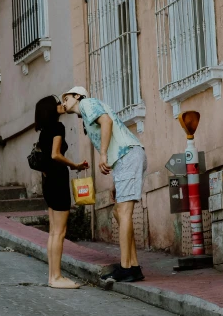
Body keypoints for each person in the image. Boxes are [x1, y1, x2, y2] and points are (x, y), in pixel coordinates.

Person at [62, 86, 146, 283]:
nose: (63, 102)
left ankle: (127, 268)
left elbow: (106, 121)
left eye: (66, 98)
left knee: (124, 212)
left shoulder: (87, 103)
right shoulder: (86, 110)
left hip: (127, 155)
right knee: (118, 212)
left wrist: (103, 154)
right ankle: (133, 265)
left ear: (77, 96)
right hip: (126, 158)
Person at [35, 94, 88, 289]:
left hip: (48, 180)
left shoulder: (43, 131)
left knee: (53, 232)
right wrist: (75, 165)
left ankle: (52, 276)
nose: (61, 104)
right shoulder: (58, 127)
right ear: (51, 108)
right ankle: (56, 277)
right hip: (57, 179)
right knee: (60, 231)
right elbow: (55, 154)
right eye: (57, 103)